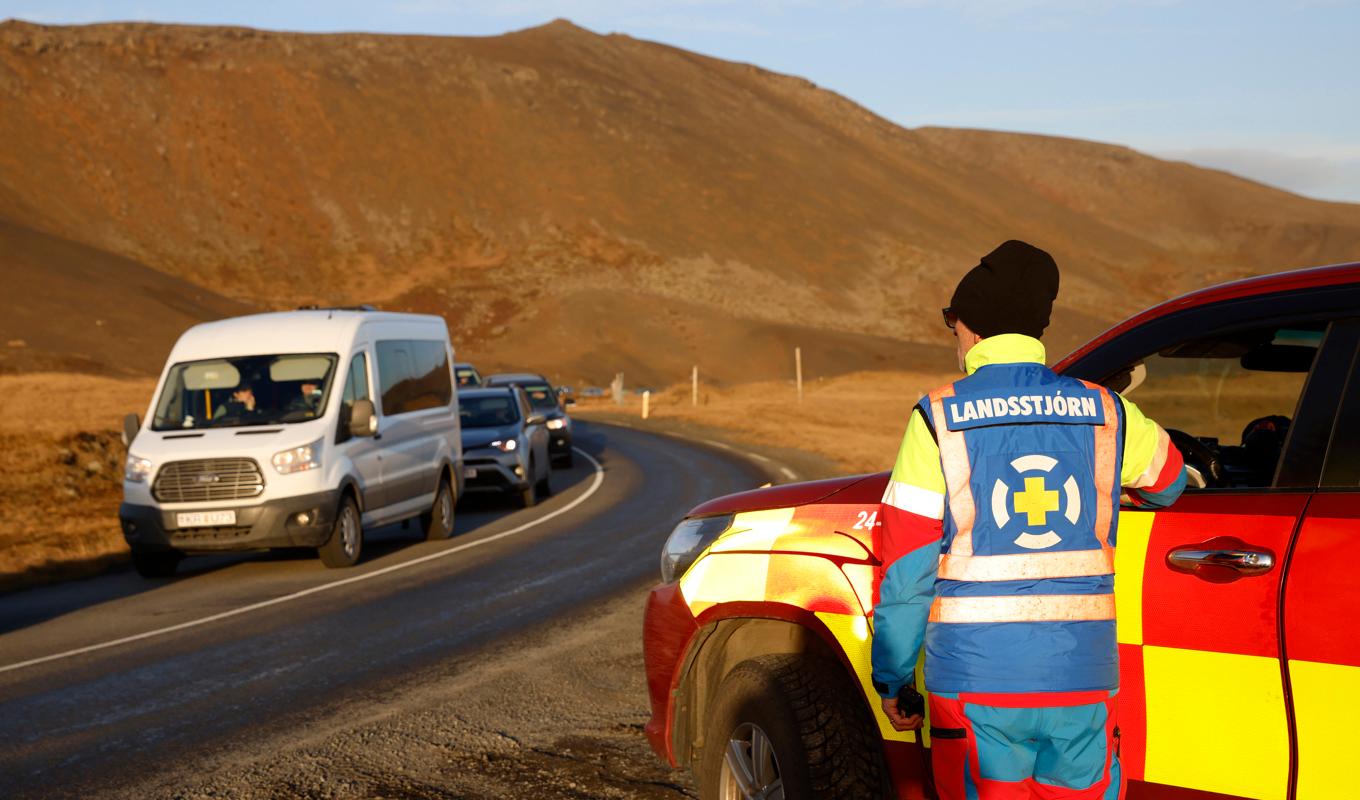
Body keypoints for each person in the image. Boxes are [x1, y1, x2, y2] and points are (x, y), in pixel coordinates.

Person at [871, 240, 1187, 800]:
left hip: (973, 682)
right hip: (1081, 677)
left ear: (968, 328)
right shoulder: (1107, 409)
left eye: (953, 326)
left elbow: (906, 569)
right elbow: (1170, 481)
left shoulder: (937, 416)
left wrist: (893, 679)